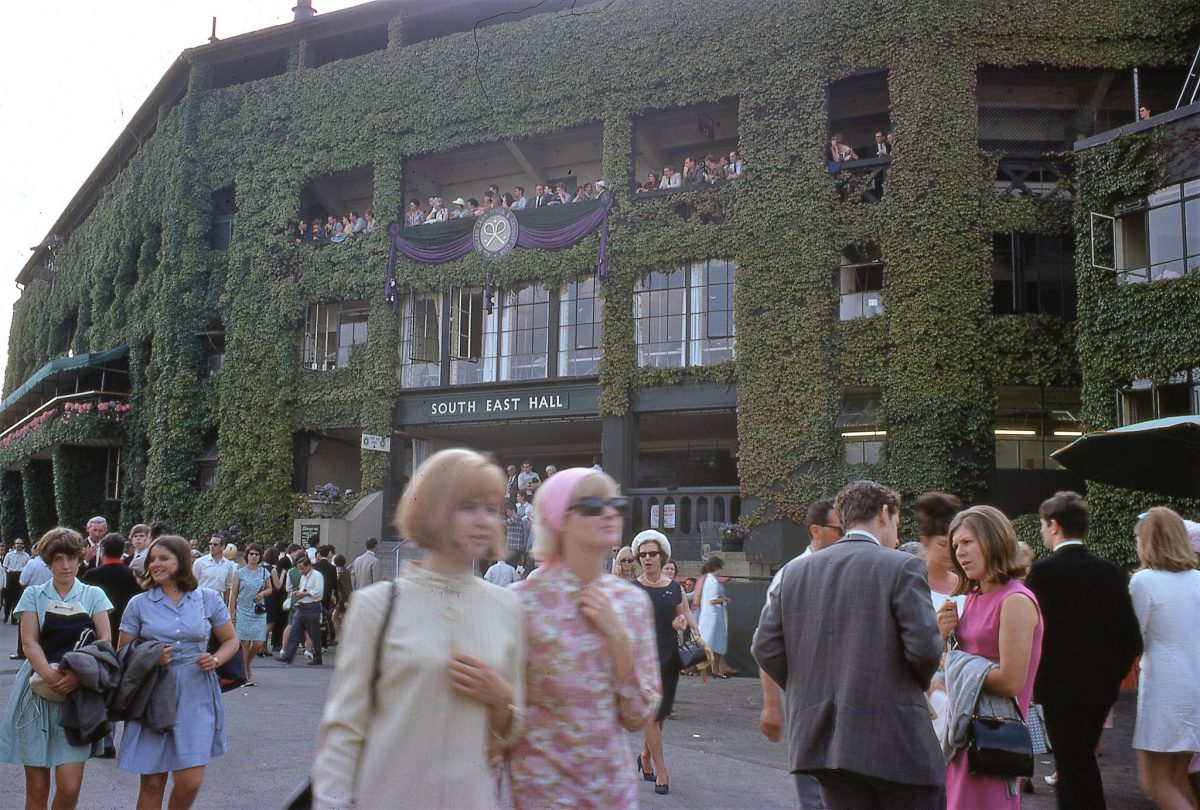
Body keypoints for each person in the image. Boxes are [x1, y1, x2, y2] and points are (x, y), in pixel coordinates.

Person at [312, 448, 524, 809]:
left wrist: (503, 699)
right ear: (434, 509)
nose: (484, 521)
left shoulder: (508, 608)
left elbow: (505, 735)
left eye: (491, 509)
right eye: (468, 507)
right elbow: (344, 729)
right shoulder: (377, 606)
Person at [753, 480, 944, 810]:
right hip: (897, 740)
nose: (897, 537)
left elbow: (765, 646)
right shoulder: (903, 566)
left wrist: (810, 686)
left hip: (826, 745)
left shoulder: (793, 573)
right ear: (884, 514)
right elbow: (925, 650)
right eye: (897, 524)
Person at [507, 467, 660, 807]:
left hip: (613, 793)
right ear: (559, 517)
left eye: (615, 503)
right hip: (542, 794)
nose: (609, 513)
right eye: (592, 505)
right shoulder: (521, 602)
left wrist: (618, 639)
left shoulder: (631, 603)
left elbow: (638, 716)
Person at [1026, 491, 1142, 810]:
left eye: (1042, 525)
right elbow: (1130, 637)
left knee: (1071, 765)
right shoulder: (1109, 571)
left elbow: (1034, 633)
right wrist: (1111, 679)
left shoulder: (1045, 573)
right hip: (1100, 690)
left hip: (1058, 690)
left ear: (1053, 525)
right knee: (1083, 763)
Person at [117, 534, 239, 809]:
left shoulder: (207, 599)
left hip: (196, 691)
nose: (155, 564)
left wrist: (216, 659)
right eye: (152, 560)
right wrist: (149, 657)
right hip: (153, 691)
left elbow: (232, 641)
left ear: (182, 562)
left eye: (163, 559)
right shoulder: (139, 604)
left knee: (190, 781)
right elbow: (123, 653)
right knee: (152, 783)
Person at [937, 505, 1044, 809]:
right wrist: (943, 637)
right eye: (956, 545)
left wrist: (954, 664)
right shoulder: (973, 596)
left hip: (994, 740)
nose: (960, 553)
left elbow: (1011, 681)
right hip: (964, 737)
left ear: (993, 540)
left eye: (968, 542)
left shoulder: (1015, 601)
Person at [0, 528, 113, 809]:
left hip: (78, 695)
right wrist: (50, 676)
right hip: (36, 693)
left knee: (69, 788)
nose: (65, 565)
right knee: (37, 792)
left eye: (71, 558)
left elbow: (105, 641)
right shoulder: (34, 595)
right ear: (48, 562)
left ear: (80, 559)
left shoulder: (94, 594)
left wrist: (76, 675)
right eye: (58, 559)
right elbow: (29, 642)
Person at [1128, 508, 1200, 809]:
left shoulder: (1144, 581)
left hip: (1162, 690)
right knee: (1179, 779)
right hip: (1194, 688)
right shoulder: (1198, 579)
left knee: (1155, 782)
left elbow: (1135, 637)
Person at [631, 528, 701, 795]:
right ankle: (662, 769)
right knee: (651, 713)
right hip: (642, 657)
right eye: (643, 554)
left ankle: (645, 756)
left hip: (670, 655)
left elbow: (679, 617)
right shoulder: (633, 588)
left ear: (662, 557)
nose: (647, 558)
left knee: (661, 715)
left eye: (652, 554)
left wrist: (681, 623)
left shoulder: (673, 588)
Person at [229, 543, 272, 687]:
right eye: (251, 554)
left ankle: (245, 665)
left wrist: (262, 593)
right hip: (243, 609)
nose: (254, 556)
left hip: (258, 610)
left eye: (257, 554)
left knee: (259, 642)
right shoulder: (239, 573)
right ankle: (246, 674)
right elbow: (233, 595)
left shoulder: (265, 572)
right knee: (245, 643)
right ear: (247, 555)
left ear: (260, 557)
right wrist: (232, 613)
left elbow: (270, 589)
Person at [275, 554, 324, 666]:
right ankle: (288, 655)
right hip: (302, 606)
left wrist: (304, 593)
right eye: (299, 569)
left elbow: (319, 592)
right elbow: (302, 588)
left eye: (302, 568)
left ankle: (317, 656)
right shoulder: (303, 576)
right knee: (294, 631)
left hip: (312, 606)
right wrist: (299, 593)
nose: (301, 571)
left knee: (313, 633)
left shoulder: (317, 576)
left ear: (308, 566)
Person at [693, 556, 735, 677]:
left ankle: (715, 669)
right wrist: (723, 600)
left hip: (715, 615)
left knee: (715, 644)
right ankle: (714, 669)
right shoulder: (711, 581)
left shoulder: (709, 580)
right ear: (717, 568)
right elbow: (712, 600)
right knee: (716, 643)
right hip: (714, 617)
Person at [192, 535, 235, 604]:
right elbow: (192, 584)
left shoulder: (228, 565)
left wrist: (225, 603)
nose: (212, 546)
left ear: (222, 547)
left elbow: (227, 586)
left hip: (218, 601)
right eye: (210, 544)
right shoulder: (199, 562)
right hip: (201, 600)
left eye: (215, 544)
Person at [2, 536, 31, 623]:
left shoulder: (26, 556)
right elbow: (5, 566)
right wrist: (5, 577)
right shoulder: (9, 555)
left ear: (23, 545)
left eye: (20, 543)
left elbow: (28, 568)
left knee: (18, 598)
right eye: (17, 543)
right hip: (10, 575)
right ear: (14, 545)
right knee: (8, 598)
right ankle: (6, 615)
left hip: (20, 575)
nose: (19, 545)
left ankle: (14, 619)